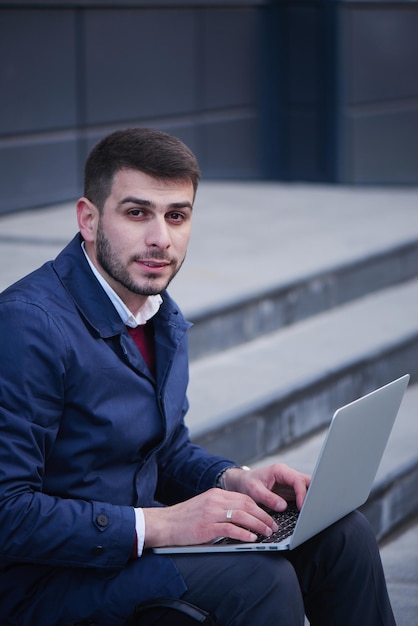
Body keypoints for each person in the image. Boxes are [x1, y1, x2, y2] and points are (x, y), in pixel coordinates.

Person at [0, 128, 395, 626]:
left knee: (341, 536)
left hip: (128, 554)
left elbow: (162, 453)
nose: (160, 239)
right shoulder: (25, 326)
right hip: (47, 584)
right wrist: (162, 525)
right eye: (137, 213)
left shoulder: (157, 314)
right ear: (89, 218)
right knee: (260, 581)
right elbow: (6, 512)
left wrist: (235, 479)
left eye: (177, 216)